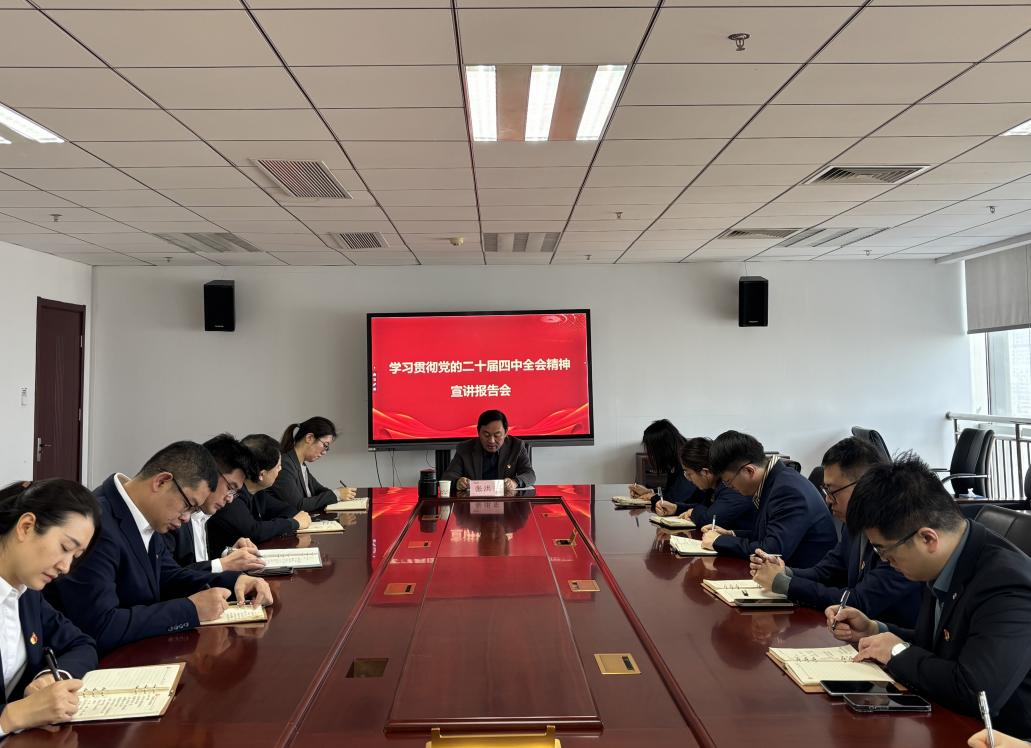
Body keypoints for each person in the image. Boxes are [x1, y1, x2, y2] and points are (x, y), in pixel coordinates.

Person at [829, 453, 1031, 737]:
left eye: (884, 550)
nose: (884, 560)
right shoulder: (949, 556)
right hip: (949, 720)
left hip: (1001, 735)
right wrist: (875, 630)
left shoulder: (1007, 584)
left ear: (927, 538)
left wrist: (896, 652)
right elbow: (939, 646)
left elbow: (976, 692)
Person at [45, 442, 273, 656]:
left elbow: (168, 576)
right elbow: (100, 626)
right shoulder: (97, 524)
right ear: (161, 482)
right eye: (188, 505)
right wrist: (189, 610)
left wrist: (234, 581)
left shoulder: (143, 514)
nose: (186, 518)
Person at [749, 437, 920, 625]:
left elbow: (859, 602)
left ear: (864, 484)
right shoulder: (853, 523)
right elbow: (826, 572)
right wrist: (784, 572)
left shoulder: (899, 534)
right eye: (826, 491)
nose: (828, 500)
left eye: (832, 491)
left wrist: (785, 584)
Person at [0, 480, 99, 735]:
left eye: (75, 556)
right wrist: (12, 716)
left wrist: (49, 680)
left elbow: (81, 644)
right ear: (26, 526)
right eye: (65, 548)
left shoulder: (27, 595)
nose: (65, 567)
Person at [701, 430, 836, 567]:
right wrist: (730, 534)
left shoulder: (787, 490)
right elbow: (766, 535)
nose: (730, 488)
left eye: (728, 482)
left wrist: (718, 541)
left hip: (803, 574)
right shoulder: (775, 480)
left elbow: (771, 551)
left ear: (749, 471)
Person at [161, 435, 264, 574]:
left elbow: (197, 562)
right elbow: (168, 576)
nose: (230, 499)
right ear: (210, 473)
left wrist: (228, 555)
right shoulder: (173, 514)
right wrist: (222, 564)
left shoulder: (204, 513)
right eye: (230, 487)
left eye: (234, 492)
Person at [206, 434, 311, 556]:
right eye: (278, 466)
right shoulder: (231, 496)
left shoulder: (257, 492)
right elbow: (254, 531)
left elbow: (287, 509)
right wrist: (292, 523)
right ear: (261, 474)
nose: (281, 469)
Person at [266, 417, 355, 513]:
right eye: (325, 445)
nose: (324, 452)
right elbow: (298, 506)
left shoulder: (300, 465)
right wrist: (336, 494)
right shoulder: (284, 465)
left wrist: (340, 493)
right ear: (309, 438)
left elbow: (319, 490)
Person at [670, 437, 754, 533]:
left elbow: (710, 519)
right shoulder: (713, 485)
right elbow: (706, 508)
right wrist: (676, 508)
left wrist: (693, 512)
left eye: (689, 474)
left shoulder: (732, 485)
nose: (688, 479)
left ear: (705, 472)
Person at [442, 410, 535, 491]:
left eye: (497, 435)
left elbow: (529, 474)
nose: (491, 440)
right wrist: (458, 482)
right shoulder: (465, 448)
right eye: (486, 435)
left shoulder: (516, 446)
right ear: (478, 432)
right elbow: (448, 477)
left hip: (506, 502)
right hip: (474, 502)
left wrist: (515, 482)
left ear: (506, 432)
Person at [628, 419, 697, 513]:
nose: (648, 454)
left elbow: (676, 499)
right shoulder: (674, 459)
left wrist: (652, 496)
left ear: (661, 448)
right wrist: (649, 492)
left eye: (650, 449)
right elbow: (671, 492)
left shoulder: (686, 460)